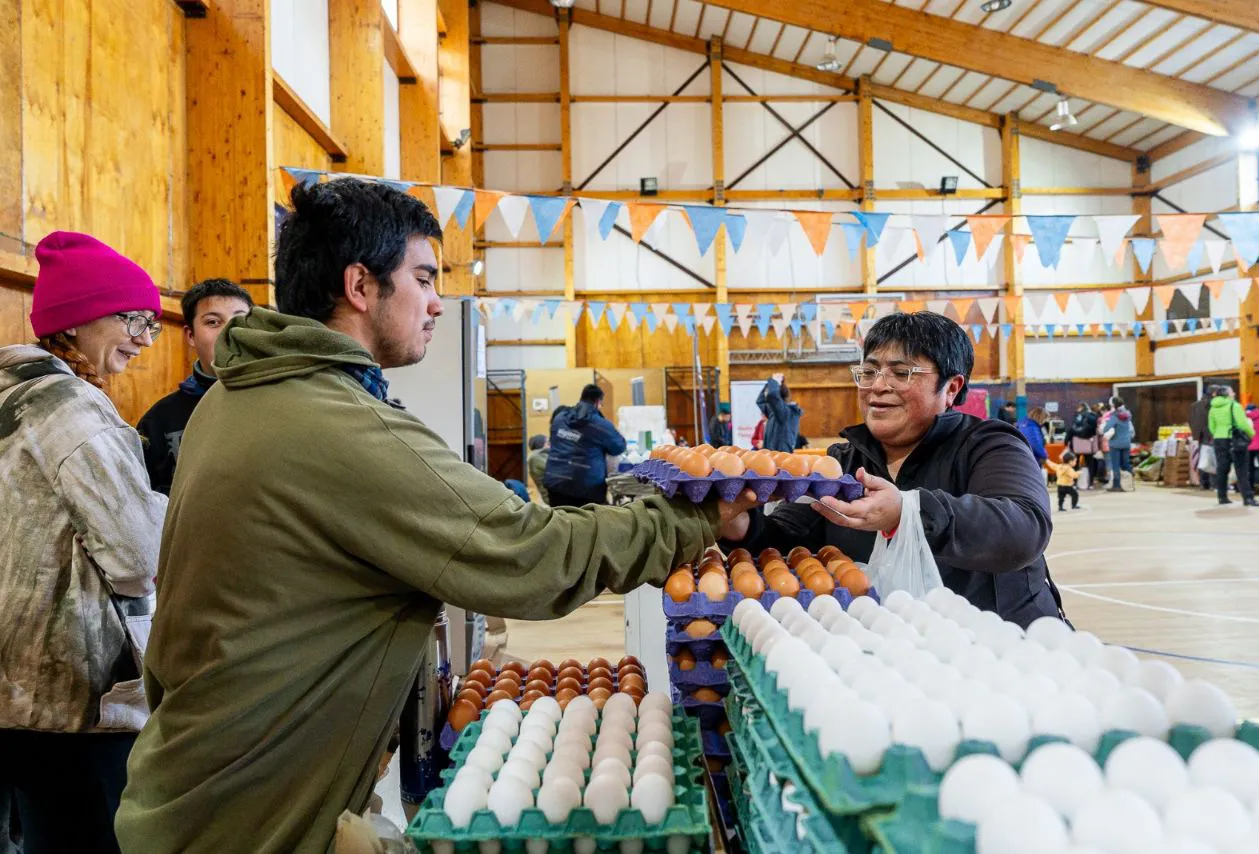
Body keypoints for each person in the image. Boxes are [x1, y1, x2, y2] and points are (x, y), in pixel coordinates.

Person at [115, 180, 757, 853]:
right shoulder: (331, 423)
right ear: (360, 286)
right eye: (423, 278)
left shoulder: (237, 397)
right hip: (252, 818)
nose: (437, 304)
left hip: (194, 785)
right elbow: (530, 555)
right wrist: (695, 519)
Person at [721, 311, 1063, 627]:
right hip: (891, 655)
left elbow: (1024, 528)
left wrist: (909, 511)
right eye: (869, 372)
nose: (877, 386)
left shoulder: (989, 446)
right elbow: (784, 543)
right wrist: (739, 524)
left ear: (951, 388)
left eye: (901, 373)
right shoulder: (842, 463)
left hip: (999, 652)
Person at [0, 232, 168, 854]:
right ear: (78, 318)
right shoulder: (74, 411)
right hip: (73, 698)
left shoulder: (8, 396)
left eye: (152, 322)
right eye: (133, 319)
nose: (147, 339)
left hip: (12, 692)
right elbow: (139, 556)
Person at [136, 278, 253, 494]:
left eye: (240, 321)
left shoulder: (280, 400)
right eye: (213, 322)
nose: (229, 332)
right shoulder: (159, 420)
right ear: (191, 335)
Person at [543, 384, 627, 507]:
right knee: (586, 524)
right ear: (598, 402)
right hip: (585, 488)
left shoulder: (560, 418)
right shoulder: (600, 425)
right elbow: (619, 447)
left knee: (561, 523)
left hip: (555, 483)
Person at [1208, 385, 1259, 507]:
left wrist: (1218, 434)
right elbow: (1242, 424)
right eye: (1232, 392)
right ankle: (1248, 498)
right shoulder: (1234, 405)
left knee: (1222, 469)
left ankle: (1222, 497)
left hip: (1219, 440)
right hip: (1234, 439)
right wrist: (1253, 434)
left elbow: (1211, 426)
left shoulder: (1212, 408)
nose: (1234, 393)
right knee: (1241, 469)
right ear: (1227, 394)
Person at [756, 372, 803, 452]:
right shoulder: (774, 412)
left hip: (782, 455)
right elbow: (760, 401)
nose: (766, 394)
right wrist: (768, 385)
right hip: (772, 454)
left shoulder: (787, 412)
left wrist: (774, 382)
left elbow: (772, 395)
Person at [1064, 403, 1099, 489]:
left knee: (1074, 464)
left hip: (1077, 444)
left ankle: (1074, 483)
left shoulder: (1078, 416)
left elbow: (1071, 429)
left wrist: (1066, 441)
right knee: (1090, 463)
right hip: (1089, 444)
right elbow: (1095, 431)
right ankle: (1090, 483)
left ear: (1081, 408)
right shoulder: (1093, 416)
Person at [1104, 396, 1134, 493]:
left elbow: (1106, 428)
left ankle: (1116, 485)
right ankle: (1129, 484)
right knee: (1126, 464)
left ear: (1113, 404)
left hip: (1115, 443)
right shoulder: (1128, 414)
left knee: (1115, 465)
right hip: (1126, 442)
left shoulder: (1115, 416)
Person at [1189, 386, 1216, 490]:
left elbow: (1191, 420)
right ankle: (1214, 483)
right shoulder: (1213, 405)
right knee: (1213, 459)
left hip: (1199, 436)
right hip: (1211, 435)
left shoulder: (1194, 405)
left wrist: (1195, 433)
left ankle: (1203, 483)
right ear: (1214, 393)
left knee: (1203, 459)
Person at [527, 434, 550, 502]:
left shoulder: (538, 457)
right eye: (548, 443)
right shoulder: (536, 457)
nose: (551, 445)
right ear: (541, 445)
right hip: (551, 499)